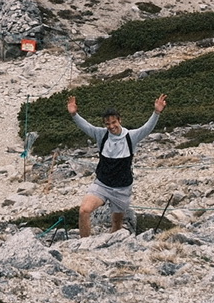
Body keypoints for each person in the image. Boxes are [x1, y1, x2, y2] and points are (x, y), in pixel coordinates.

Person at [67, 90, 168, 236]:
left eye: (114, 122)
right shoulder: (101, 135)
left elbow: (147, 128)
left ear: (120, 120)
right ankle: (85, 245)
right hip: (102, 184)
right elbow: (86, 126)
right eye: (107, 123)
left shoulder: (131, 137)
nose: (111, 126)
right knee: (84, 210)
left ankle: (111, 246)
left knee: (116, 224)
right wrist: (74, 114)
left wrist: (156, 113)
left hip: (122, 188)